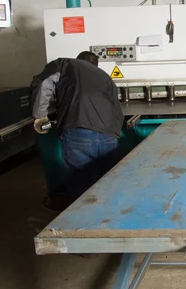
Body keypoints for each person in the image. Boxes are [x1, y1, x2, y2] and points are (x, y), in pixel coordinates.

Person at [30, 51, 124, 210]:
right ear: (95, 65)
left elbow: (43, 83)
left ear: (78, 60)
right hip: (110, 134)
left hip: (80, 131)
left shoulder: (64, 64)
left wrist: (40, 115)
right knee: (108, 182)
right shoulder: (105, 77)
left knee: (80, 183)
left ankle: (81, 224)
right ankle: (109, 221)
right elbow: (117, 108)